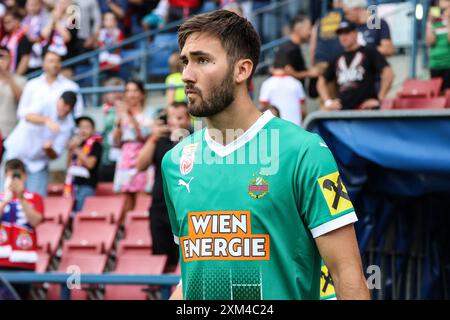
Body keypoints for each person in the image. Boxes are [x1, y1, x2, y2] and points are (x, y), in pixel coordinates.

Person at [163, 10, 370, 300]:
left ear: (242, 70)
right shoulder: (175, 162)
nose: (187, 74)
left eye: (202, 60)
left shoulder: (304, 152)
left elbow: (347, 276)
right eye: (185, 61)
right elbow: (194, 272)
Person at [136, 102, 192, 273]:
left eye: (179, 117)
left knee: (184, 261)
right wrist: (153, 137)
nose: (174, 122)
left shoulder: (196, 141)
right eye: (171, 118)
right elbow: (140, 165)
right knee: (161, 259)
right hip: (160, 207)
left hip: (185, 209)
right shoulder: (159, 140)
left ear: (188, 119)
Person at [3, 91, 76, 196]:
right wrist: (46, 120)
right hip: (15, 155)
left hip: (37, 163)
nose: (66, 109)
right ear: (59, 100)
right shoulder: (46, 103)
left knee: (36, 199)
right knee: (6, 195)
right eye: (65, 104)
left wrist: (48, 149)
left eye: (70, 107)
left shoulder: (68, 124)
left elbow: (55, 155)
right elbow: (26, 116)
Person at [317, 21, 394, 111]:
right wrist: (328, 102)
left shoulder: (369, 52)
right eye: (340, 34)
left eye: (346, 33)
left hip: (365, 111)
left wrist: (379, 99)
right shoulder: (337, 57)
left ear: (355, 34)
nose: (343, 37)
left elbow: (388, 73)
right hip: (343, 112)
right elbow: (321, 82)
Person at [0, 158, 43, 299]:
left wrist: (21, 197)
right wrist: (6, 199)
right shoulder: (1, 198)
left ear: (25, 176)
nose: (13, 179)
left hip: (25, 262)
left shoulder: (34, 198)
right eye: (10, 175)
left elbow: (35, 221)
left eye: (17, 175)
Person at [112, 79, 152, 218]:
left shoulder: (149, 113)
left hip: (142, 155)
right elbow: (114, 142)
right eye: (128, 90)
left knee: (142, 198)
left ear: (142, 94)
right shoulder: (121, 114)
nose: (131, 94)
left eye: (135, 90)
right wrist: (117, 124)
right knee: (125, 201)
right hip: (125, 157)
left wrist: (129, 116)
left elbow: (143, 136)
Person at [17, 50, 84, 119]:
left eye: (58, 61)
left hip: (62, 129)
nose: (54, 65)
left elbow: (78, 113)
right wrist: (41, 120)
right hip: (34, 128)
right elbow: (21, 112)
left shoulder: (72, 86)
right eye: (51, 61)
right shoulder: (31, 85)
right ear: (43, 64)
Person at [65, 116, 103, 213]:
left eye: (86, 127)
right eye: (81, 127)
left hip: (87, 186)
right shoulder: (78, 144)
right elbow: (68, 167)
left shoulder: (96, 145)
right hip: (73, 184)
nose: (83, 130)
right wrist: (70, 151)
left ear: (93, 130)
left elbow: (90, 164)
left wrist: (76, 149)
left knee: (81, 213)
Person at [259, 52, 306, 126]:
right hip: (296, 127)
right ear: (288, 67)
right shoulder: (296, 83)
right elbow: (303, 110)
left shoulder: (267, 84)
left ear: (272, 68)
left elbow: (263, 108)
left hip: (276, 128)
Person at [274, 15, 319, 87]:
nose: (310, 33)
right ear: (298, 28)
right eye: (308, 28)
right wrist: (309, 73)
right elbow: (283, 73)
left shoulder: (295, 47)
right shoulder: (287, 49)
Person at [99, 77, 125, 182]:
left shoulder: (128, 109)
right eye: (113, 91)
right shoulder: (103, 109)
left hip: (123, 152)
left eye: (119, 90)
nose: (116, 94)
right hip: (107, 153)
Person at [0, 46, 26, 140]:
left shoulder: (20, 80)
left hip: (10, 131)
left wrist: (7, 75)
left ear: (10, 59)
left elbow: (23, 100)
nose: (1, 60)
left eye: (3, 57)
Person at [426, 0, 450, 91]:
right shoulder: (434, 24)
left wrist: (448, 21)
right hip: (435, 64)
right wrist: (430, 22)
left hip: (448, 64)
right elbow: (430, 41)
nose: (443, 11)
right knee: (436, 93)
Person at [0, 7, 32, 75]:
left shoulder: (23, 37)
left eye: (8, 22)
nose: (5, 24)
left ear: (17, 21)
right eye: (4, 22)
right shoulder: (5, 39)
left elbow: (25, 59)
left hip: (17, 76)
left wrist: (16, 77)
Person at [21, 0, 50, 73]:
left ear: (40, 5)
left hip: (43, 51)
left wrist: (35, 38)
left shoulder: (46, 16)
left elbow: (45, 35)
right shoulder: (25, 20)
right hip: (30, 55)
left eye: (35, 5)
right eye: (30, 5)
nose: (32, 8)